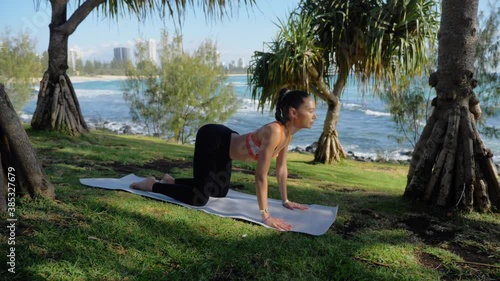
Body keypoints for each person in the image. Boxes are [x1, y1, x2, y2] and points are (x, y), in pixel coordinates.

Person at [130, 87, 317, 231]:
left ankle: (171, 181)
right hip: (213, 139)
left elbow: (281, 169)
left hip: (226, 148)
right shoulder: (274, 131)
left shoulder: (287, 135)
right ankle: (152, 184)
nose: (314, 115)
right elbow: (261, 176)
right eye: (310, 110)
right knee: (199, 198)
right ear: (293, 113)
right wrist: (265, 216)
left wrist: (285, 201)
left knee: (219, 192)